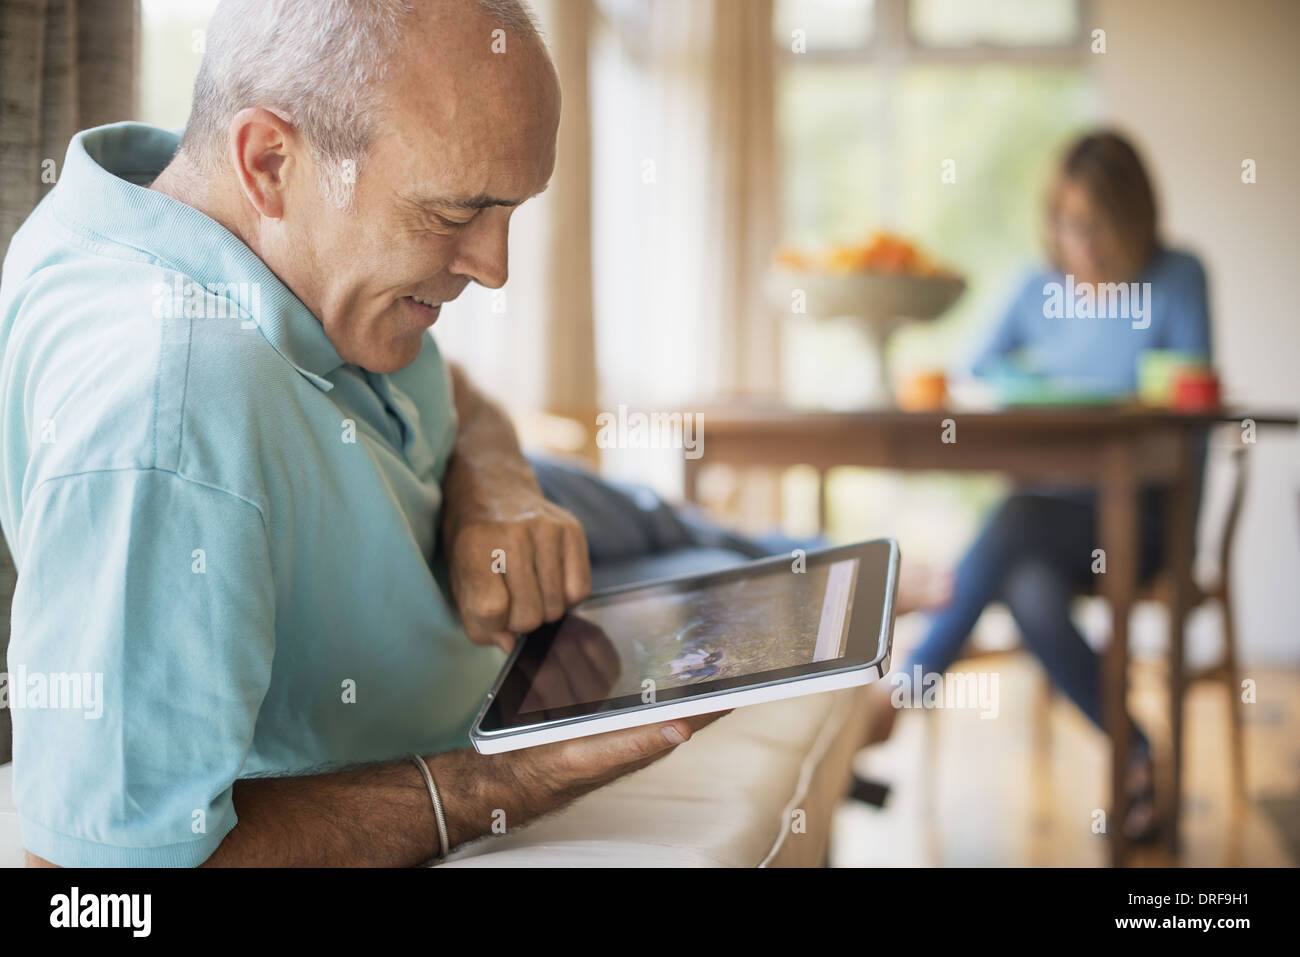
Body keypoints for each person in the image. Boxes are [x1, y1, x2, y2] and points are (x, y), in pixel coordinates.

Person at [0, 0, 753, 868]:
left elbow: (456, 390)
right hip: (490, 666)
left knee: (756, 573)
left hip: (471, 551)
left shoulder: (183, 208)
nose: (497, 268)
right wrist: (510, 779)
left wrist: (493, 489)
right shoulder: (169, 410)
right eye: (454, 211)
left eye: (511, 208)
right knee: (749, 590)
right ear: (269, 161)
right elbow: (99, 888)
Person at [865, 131, 1212, 841]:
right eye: (1063, 222)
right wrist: (1030, 389)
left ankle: (902, 690)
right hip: (1053, 522)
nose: (1076, 242)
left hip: (1145, 520)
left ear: (1131, 219)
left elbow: (1192, 399)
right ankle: (1140, 755)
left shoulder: (1179, 276)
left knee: (1016, 522)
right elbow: (971, 371)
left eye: (1092, 224)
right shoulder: (1036, 287)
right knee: (1024, 580)